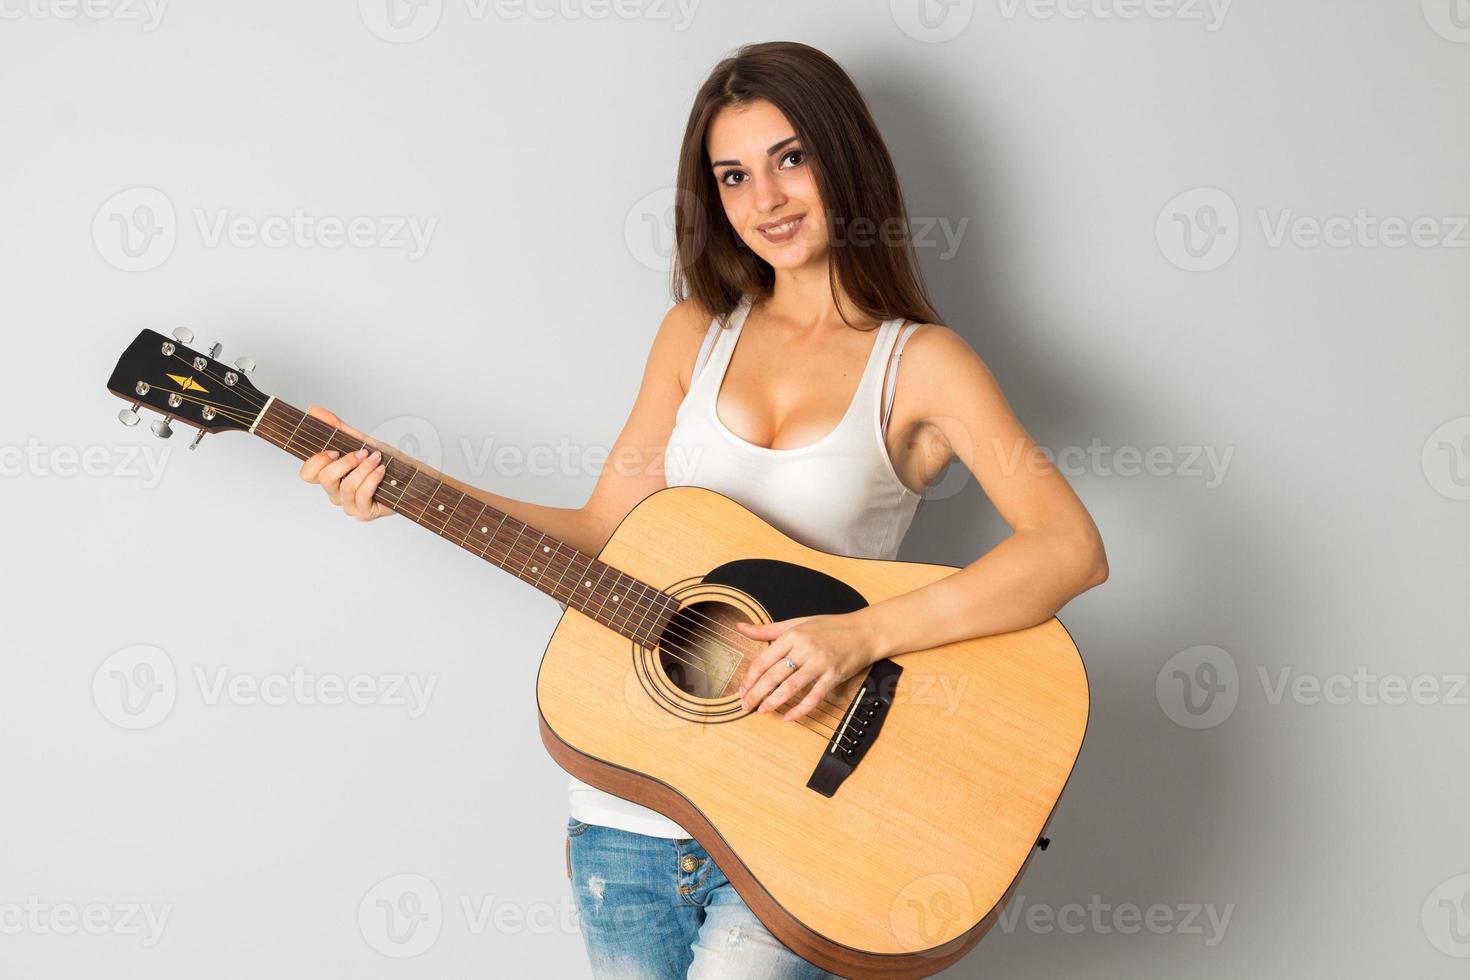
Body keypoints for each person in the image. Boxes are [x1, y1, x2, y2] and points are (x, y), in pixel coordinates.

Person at [298, 39, 1107, 980]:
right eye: (733, 176)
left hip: (799, 825)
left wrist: (860, 637)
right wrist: (409, 488)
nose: (766, 200)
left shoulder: (920, 366)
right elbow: (608, 533)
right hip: (621, 823)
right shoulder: (695, 334)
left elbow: (1068, 551)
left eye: (790, 158)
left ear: (847, 159)